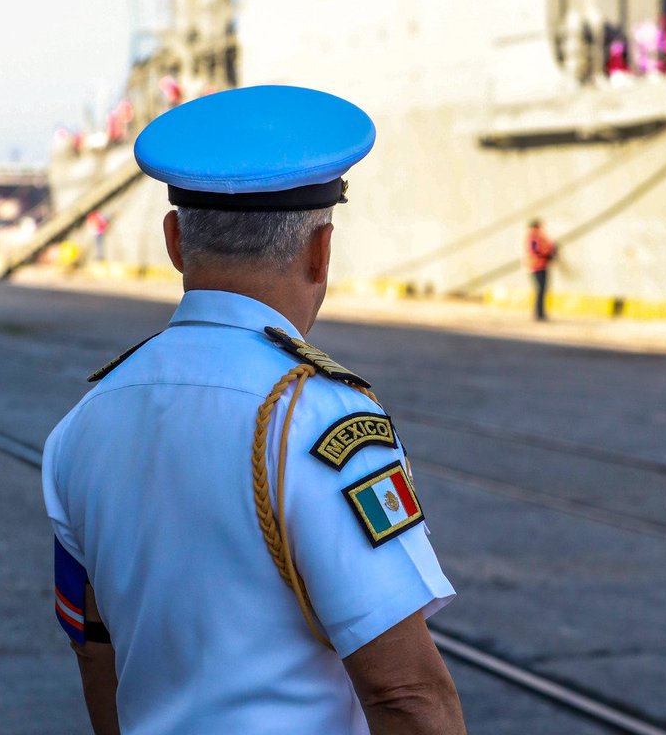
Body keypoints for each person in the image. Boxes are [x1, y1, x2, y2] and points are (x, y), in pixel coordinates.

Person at [42, 85, 466, 735]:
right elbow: (405, 692)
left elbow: (96, 654)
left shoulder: (83, 423)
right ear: (321, 251)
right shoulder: (323, 422)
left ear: (175, 241)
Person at [526, 219, 557, 321]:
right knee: (540, 290)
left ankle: (541, 313)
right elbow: (536, 251)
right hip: (537, 267)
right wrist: (547, 253)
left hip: (542, 266)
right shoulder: (534, 238)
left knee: (542, 291)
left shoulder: (541, 238)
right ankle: (539, 313)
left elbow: (551, 247)